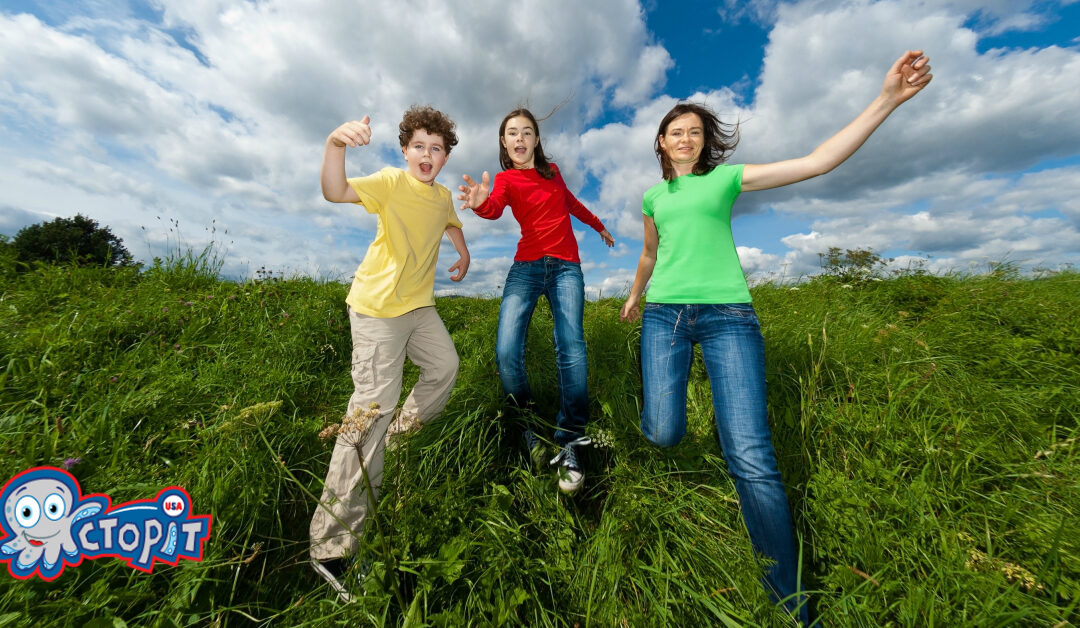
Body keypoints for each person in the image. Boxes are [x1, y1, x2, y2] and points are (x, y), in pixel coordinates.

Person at [619, 51, 933, 624]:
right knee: (663, 432)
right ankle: (674, 426)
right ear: (660, 143)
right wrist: (636, 295)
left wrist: (887, 99)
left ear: (704, 141)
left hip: (727, 317)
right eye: (674, 132)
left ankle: (789, 601)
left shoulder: (726, 179)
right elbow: (648, 253)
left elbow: (816, 162)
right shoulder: (653, 197)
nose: (684, 138)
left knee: (751, 455)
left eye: (694, 131)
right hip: (664, 315)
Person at [309, 105, 470, 602]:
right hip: (378, 310)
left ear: (444, 157)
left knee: (445, 366)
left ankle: (398, 441)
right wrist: (335, 144)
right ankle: (330, 546)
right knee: (370, 410)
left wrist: (462, 252)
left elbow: (450, 221)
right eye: (419, 145)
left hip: (418, 308)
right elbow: (335, 191)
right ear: (405, 150)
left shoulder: (441, 196)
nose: (427, 154)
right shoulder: (388, 183)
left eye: (436, 148)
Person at [458, 108, 615, 494]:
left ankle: (570, 440)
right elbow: (494, 207)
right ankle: (528, 429)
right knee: (507, 350)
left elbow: (571, 203)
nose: (520, 138)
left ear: (536, 140)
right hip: (526, 267)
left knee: (572, 347)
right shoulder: (506, 179)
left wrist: (599, 226)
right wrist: (480, 202)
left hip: (565, 268)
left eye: (527, 132)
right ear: (504, 141)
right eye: (512, 132)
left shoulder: (553, 172)